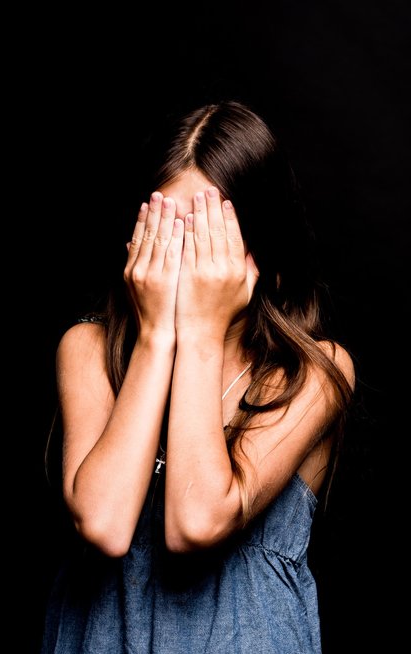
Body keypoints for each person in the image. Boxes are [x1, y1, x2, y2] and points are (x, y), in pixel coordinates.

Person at [41, 100, 356, 654]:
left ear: (263, 247)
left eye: (211, 235)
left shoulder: (310, 372)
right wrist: (158, 334)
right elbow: (105, 524)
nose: (186, 254)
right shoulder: (87, 348)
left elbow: (197, 522)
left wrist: (205, 331)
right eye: (167, 229)